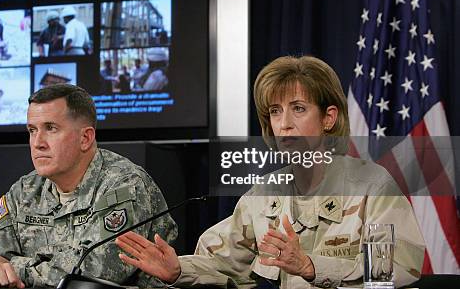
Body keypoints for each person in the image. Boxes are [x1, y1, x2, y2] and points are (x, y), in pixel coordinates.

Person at [115, 55, 425, 289]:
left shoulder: (371, 186)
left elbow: (395, 269)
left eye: (298, 108)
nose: (284, 123)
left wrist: (310, 266)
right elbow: (222, 263)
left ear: (329, 118)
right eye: (275, 111)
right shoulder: (264, 195)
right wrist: (178, 270)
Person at [0, 84, 178, 288]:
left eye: (51, 128)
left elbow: (93, 273)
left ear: (85, 138)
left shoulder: (124, 185)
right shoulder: (26, 190)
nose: (38, 143)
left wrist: (11, 268)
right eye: (32, 130)